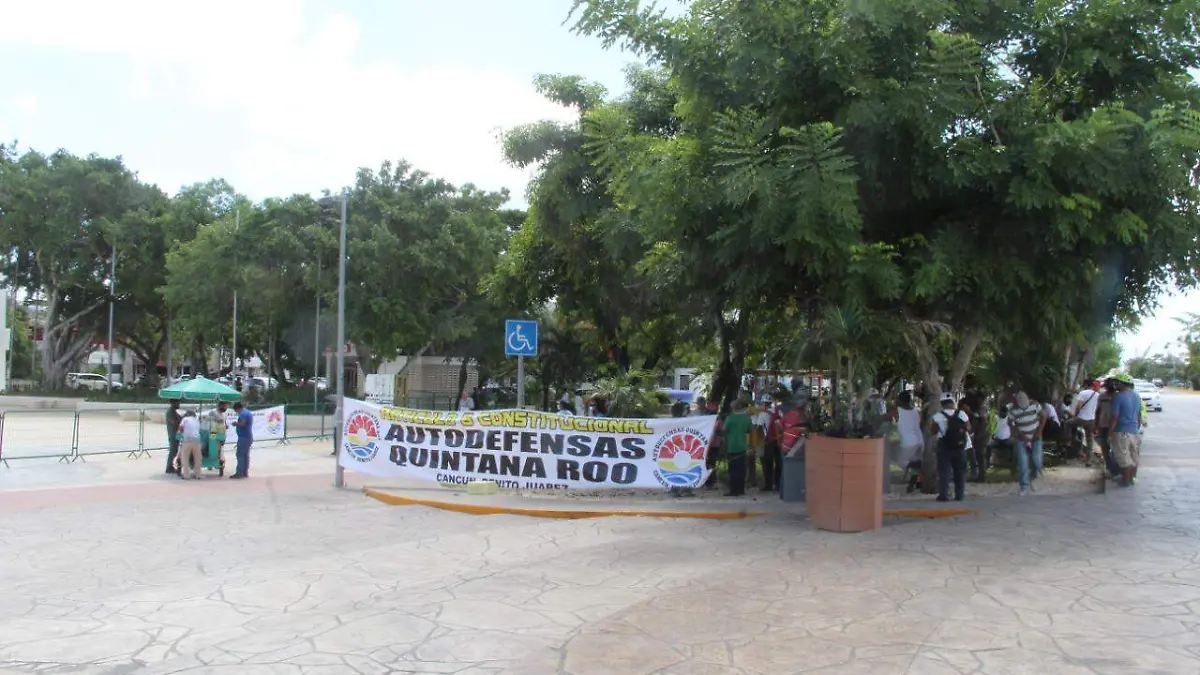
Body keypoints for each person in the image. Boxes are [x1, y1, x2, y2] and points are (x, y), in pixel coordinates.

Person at [930, 393, 971, 502]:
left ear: (942, 403)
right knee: (960, 472)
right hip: (960, 446)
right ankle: (959, 495)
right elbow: (968, 428)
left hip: (944, 447)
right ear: (952, 402)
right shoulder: (962, 414)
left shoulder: (937, 416)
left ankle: (944, 495)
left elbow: (933, 431)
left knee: (944, 472)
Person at [1109, 373, 1143, 488]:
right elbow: (1139, 415)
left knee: (1123, 456)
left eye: (1117, 382)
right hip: (1134, 431)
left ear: (1123, 383)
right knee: (1133, 456)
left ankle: (1126, 480)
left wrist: (1110, 434)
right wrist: (1136, 428)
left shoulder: (1118, 397)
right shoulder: (1136, 396)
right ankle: (1132, 478)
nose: (1115, 384)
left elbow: (1114, 417)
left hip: (1121, 431)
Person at [1008, 391, 1044, 496]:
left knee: (1036, 460)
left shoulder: (1035, 405)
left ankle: (1033, 477)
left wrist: (1039, 431)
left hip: (1035, 437)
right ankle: (1024, 486)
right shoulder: (1013, 410)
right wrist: (1019, 434)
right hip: (1021, 439)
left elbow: (1043, 416)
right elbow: (1011, 424)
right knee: (1023, 463)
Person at [722, 400, 752, 497]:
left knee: (733, 469)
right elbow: (749, 430)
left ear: (732, 408)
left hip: (731, 445)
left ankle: (733, 490)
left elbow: (724, 430)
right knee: (741, 469)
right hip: (743, 445)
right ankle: (741, 489)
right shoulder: (747, 418)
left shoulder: (730, 418)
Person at [1066, 378, 1099, 462]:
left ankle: (1067, 441)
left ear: (1085, 385)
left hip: (1081, 418)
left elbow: (1078, 406)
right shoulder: (1097, 395)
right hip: (1091, 420)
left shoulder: (1083, 393)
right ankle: (1088, 460)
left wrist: (1075, 416)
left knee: (1067, 424)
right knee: (1089, 439)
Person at [896, 391, 924, 478]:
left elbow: (883, 417)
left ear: (900, 401)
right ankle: (914, 480)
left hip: (907, 442)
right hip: (919, 441)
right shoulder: (917, 412)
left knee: (902, 462)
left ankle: (920, 466)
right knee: (914, 460)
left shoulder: (897, 411)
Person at [1095, 379, 1120, 479]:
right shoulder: (1103, 396)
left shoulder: (1117, 397)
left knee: (1110, 448)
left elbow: (1098, 411)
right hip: (1106, 425)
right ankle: (1111, 469)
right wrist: (1096, 425)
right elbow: (1098, 411)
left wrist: (1096, 424)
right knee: (1106, 448)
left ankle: (1113, 469)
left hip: (1111, 425)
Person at [230, 402, 254, 479]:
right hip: (248, 436)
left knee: (240, 455)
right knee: (245, 455)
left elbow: (242, 424)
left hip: (244, 437)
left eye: (236, 411)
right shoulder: (247, 412)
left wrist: (235, 423)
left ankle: (239, 473)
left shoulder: (243, 414)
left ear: (237, 409)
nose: (236, 413)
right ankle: (244, 472)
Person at [178, 411, 202, 480]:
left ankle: (186, 475)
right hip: (197, 440)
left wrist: (181, 433)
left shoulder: (185, 419)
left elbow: (180, 428)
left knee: (185, 457)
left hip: (187, 440)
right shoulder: (197, 420)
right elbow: (198, 430)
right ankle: (198, 475)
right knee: (197, 458)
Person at [204, 402, 229, 471]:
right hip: (213, 433)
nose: (225, 408)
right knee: (211, 447)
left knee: (220, 448)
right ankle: (210, 464)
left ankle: (217, 463)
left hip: (222, 434)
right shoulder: (213, 412)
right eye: (224, 406)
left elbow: (224, 421)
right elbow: (208, 421)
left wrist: (225, 425)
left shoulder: (225, 413)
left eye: (226, 406)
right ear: (219, 406)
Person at [164, 399, 183, 474]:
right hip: (173, 434)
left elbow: (180, 419)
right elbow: (175, 422)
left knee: (175, 451)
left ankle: (171, 466)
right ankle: (168, 468)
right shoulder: (170, 412)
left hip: (176, 434)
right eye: (178, 403)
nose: (179, 405)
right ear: (174, 403)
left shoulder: (175, 412)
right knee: (172, 451)